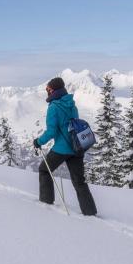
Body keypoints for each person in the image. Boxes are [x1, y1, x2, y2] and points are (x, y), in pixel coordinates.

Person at [32, 77, 97, 216]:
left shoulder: (53, 107)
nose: (47, 91)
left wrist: (38, 142)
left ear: (53, 90)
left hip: (61, 149)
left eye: (48, 89)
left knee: (44, 170)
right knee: (79, 181)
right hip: (77, 147)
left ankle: (46, 202)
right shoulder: (72, 104)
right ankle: (90, 212)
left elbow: (51, 131)